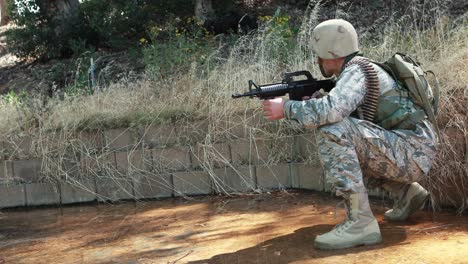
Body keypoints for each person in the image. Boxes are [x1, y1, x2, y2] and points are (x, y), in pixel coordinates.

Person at [262, 19, 438, 250]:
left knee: (332, 129)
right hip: (413, 148)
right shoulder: (359, 69)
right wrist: (315, 102)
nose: (317, 60)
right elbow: (354, 120)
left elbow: (332, 112)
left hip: (412, 151)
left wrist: (286, 108)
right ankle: (406, 193)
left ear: (331, 51)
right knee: (345, 136)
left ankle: (360, 224)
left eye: (320, 54)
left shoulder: (356, 71)